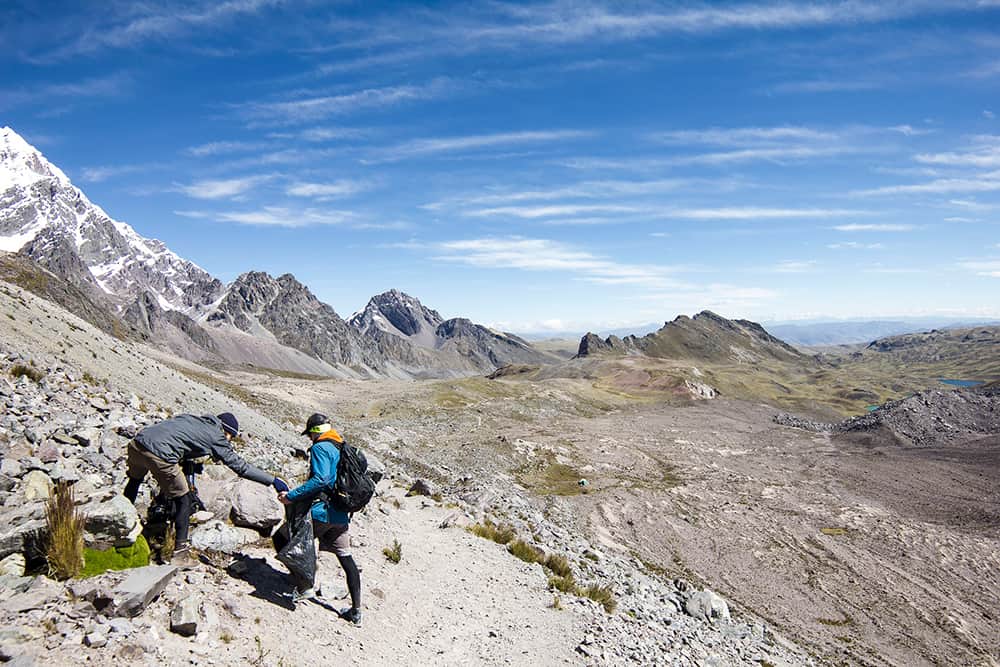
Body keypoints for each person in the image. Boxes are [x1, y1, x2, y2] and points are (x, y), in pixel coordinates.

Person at [123, 412, 289, 565]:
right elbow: (240, 467)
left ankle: (121, 524)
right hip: (160, 455)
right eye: (230, 438)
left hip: (137, 444)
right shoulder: (217, 436)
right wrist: (272, 480)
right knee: (184, 499)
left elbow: (179, 438)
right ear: (226, 432)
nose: (228, 441)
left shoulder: (192, 419)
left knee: (134, 481)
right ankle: (180, 553)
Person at [278, 413, 362, 626]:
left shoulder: (320, 448)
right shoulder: (341, 446)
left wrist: (291, 497)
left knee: (282, 538)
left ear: (314, 432)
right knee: (346, 558)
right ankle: (356, 611)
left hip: (321, 511)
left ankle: (303, 586)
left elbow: (321, 479)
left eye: (309, 435)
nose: (309, 440)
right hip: (341, 514)